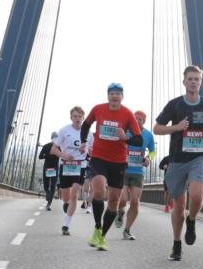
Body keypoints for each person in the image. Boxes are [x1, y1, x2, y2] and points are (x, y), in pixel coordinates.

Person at [153, 65, 203, 261]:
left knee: (197, 196)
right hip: (177, 160)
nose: (193, 82)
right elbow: (157, 128)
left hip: (198, 158)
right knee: (179, 205)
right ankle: (176, 244)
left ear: (201, 82)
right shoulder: (174, 105)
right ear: (184, 82)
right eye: (190, 79)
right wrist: (176, 128)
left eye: (197, 79)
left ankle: (192, 221)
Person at [80, 83, 143, 251]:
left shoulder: (127, 114)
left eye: (118, 94)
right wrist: (84, 142)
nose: (115, 96)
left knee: (114, 201)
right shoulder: (98, 109)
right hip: (99, 158)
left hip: (119, 161)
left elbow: (139, 140)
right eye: (112, 93)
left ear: (122, 96)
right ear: (108, 96)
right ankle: (97, 227)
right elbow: (86, 125)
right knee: (99, 192)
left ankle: (101, 237)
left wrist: (125, 138)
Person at [116, 110, 156, 240]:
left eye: (140, 119)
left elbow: (152, 151)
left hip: (138, 172)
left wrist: (149, 158)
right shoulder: (125, 131)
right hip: (123, 170)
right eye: (135, 118)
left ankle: (127, 230)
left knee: (135, 201)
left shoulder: (148, 135)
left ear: (144, 121)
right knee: (122, 200)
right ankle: (120, 212)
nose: (137, 121)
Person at [51, 107, 87, 235]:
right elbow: (53, 150)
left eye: (80, 116)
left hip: (80, 166)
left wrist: (88, 152)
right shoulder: (64, 130)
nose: (77, 118)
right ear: (71, 118)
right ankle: (66, 203)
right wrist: (64, 156)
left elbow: (93, 150)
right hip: (66, 166)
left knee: (75, 195)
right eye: (75, 116)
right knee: (66, 196)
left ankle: (66, 225)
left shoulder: (88, 133)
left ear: (83, 118)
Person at [38, 132, 60, 211]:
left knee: (51, 186)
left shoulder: (57, 146)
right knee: (49, 186)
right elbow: (40, 157)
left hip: (51, 168)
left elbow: (41, 156)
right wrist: (49, 154)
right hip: (50, 168)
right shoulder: (49, 146)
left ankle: (49, 203)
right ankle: (48, 197)